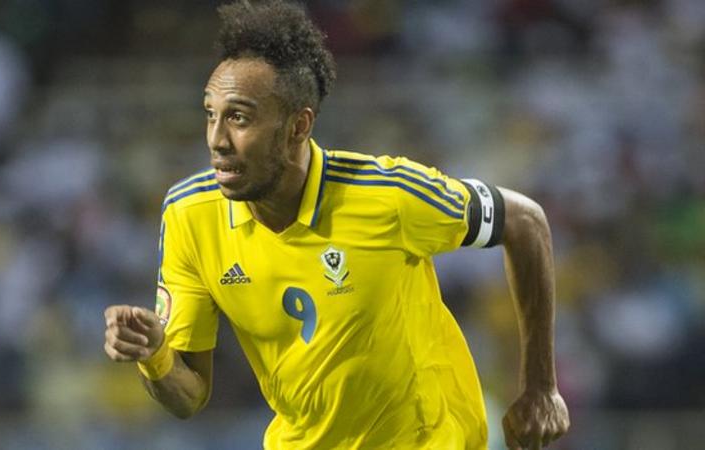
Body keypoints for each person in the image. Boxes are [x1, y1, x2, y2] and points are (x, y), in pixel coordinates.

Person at [103, 1, 570, 448]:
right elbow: (189, 397)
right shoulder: (190, 215)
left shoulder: (389, 195)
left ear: (298, 126)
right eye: (211, 115)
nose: (217, 140)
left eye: (239, 118)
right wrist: (155, 354)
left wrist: (541, 387)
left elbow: (525, 221)